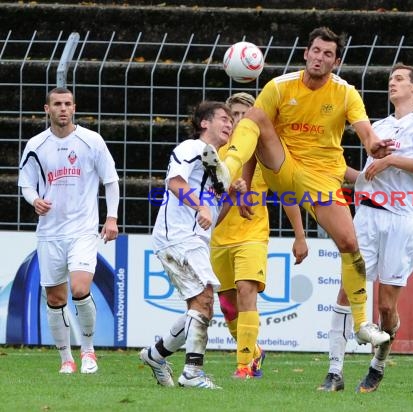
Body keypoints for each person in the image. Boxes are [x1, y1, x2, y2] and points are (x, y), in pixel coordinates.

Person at [201, 26, 391, 349]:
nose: (320, 57)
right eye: (315, 51)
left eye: (327, 54)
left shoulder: (345, 93)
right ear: (306, 54)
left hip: (322, 179)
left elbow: (364, 130)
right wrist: (242, 183)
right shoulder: (278, 86)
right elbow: (253, 131)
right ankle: (225, 169)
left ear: (336, 61)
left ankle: (361, 324)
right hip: (283, 165)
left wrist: (373, 143)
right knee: (258, 119)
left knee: (349, 242)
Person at [318, 65, 413, 392]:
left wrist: (392, 160)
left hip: (403, 220)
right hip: (368, 216)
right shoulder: (377, 127)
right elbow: (365, 178)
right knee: (348, 289)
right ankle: (334, 372)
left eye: (400, 79)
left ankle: (378, 361)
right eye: (391, 78)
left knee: (386, 307)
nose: (392, 82)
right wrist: (329, 167)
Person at [139, 101, 244, 389]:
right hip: (178, 236)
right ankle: (192, 373)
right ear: (204, 123)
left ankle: (155, 355)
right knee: (204, 301)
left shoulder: (215, 164)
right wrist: (200, 207)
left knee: (200, 306)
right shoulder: (190, 148)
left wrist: (231, 196)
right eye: (223, 118)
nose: (229, 124)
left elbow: (214, 216)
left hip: (194, 239)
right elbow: (174, 182)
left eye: (231, 121)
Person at [18, 87, 120, 374]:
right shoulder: (36, 145)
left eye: (67, 104)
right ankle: (66, 358)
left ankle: (88, 352)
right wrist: (34, 199)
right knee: (55, 298)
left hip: (83, 229)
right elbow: (25, 183)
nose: (62, 108)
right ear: (46, 109)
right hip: (50, 232)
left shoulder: (91, 141)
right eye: (57, 104)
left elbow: (110, 180)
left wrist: (111, 218)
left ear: (74, 108)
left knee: (79, 288)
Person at [211, 93, 308, 379]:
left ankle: (244, 367)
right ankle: (254, 350)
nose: (240, 121)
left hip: (252, 233)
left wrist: (300, 235)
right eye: (234, 116)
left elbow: (288, 195)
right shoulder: (218, 154)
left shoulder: (265, 154)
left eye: (245, 115)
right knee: (228, 306)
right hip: (218, 237)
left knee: (246, 291)